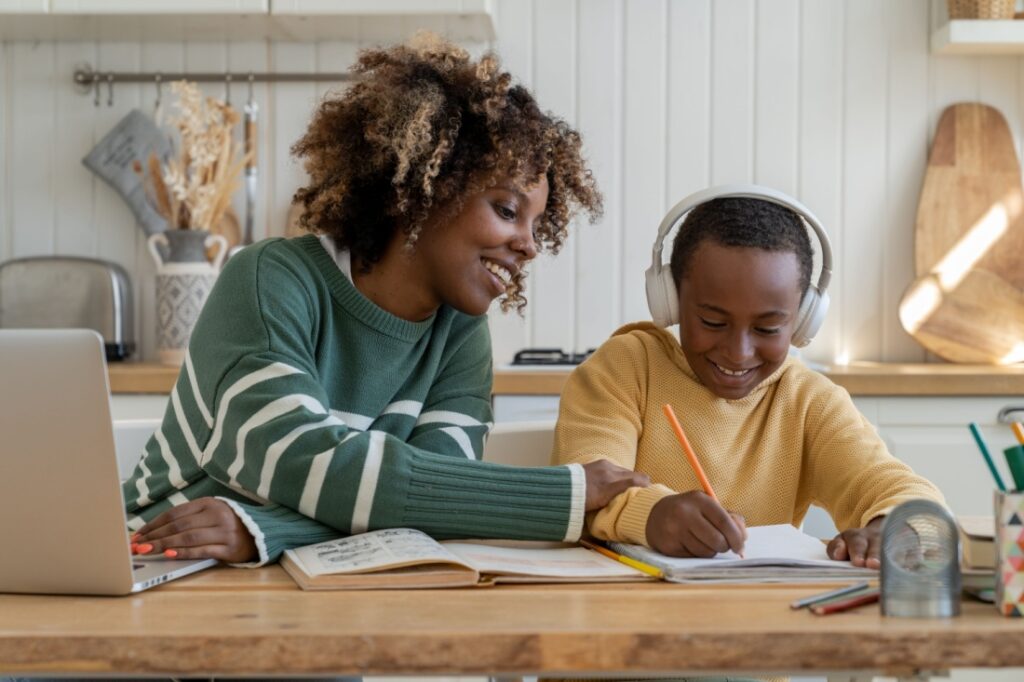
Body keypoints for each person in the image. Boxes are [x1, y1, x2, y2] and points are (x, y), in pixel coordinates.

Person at [123, 33, 649, 567]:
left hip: (312, 573)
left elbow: (437, 497)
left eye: (538, 223)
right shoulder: (270, 279)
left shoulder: (461, 330)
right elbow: (296, 460)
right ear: (428, 189)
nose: (530, 245)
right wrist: (570, 494)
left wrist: (264, 526)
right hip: (160, 561)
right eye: (508, 210)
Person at [552, 188, 944, 568]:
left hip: (762, 615)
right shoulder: (624, 369)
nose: (738, 352)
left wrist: (889, 525)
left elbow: (902, 491)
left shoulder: (809, 401)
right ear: (670, 299)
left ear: (803, 319)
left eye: (769, 328)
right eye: (712, 322)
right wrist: (652, 515)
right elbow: (585, 491)